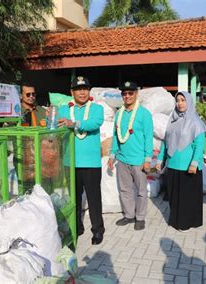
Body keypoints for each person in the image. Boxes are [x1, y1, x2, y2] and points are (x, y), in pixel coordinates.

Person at [58, 76, 105, 245]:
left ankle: (98, 229)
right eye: (78, 89)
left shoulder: (96, 109)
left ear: (89, 91)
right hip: (69, 162)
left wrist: (74, 123)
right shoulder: (63, 109)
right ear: (72, 92)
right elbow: (57, 125)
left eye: (85, 88)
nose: (82, 92)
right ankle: (76, 227)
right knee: (74, 198)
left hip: (91, 163)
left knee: (93, 198)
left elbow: (94, 123)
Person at [156, 91, 206, 231]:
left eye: (183, 100)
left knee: (186, 197)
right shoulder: (172, 120)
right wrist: (161, 159)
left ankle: (185, 222)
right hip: (173, 164)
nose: (180, 103)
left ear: (189, 102)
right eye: (177, 100)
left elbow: (199, 145)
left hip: (188, 166)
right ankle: (176, 219)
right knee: (174, 195)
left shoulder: (196, 122)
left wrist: (194, 163)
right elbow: (165, 142)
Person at [108, 81, 153, 231]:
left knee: (140, 191)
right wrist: (112, 155)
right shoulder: (119, 113)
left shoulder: (144, 113)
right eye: (124, 93)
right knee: (125, 189)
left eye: (130, 93)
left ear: (136, 94)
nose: (127, 96)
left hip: (139, 160)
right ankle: (129, 215)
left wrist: (147, 160)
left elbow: (149, 138)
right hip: (122, 159)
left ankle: (140, 217)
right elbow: (116, 136)